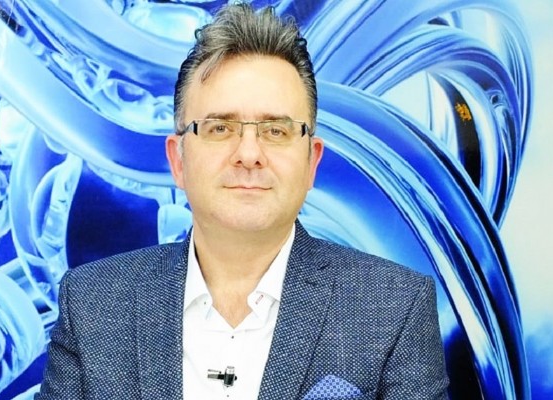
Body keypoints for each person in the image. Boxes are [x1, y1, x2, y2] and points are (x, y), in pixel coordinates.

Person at [36, 3, 449, 399]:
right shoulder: (92, 306)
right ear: (178, 161)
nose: (249, 154)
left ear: (312, 161)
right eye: (220, 128)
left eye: (276, 131)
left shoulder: (393, 307)